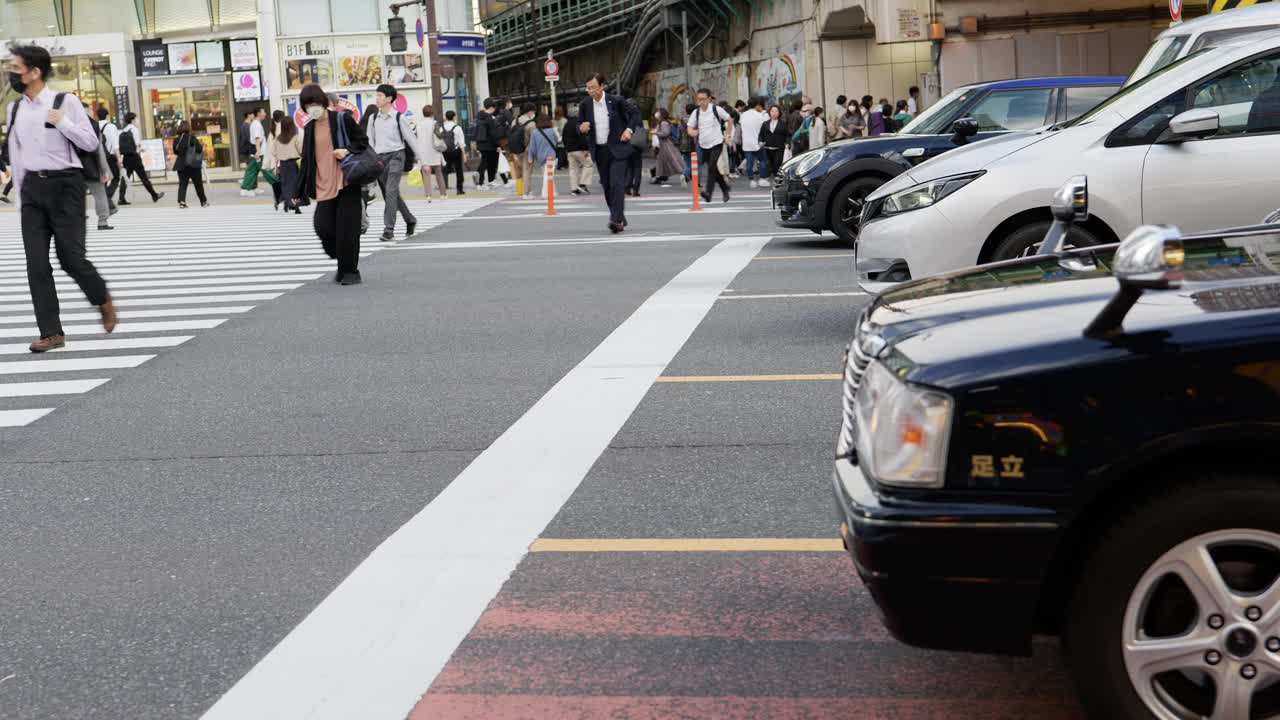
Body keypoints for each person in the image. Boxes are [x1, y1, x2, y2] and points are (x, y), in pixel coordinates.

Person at [7, 44, 116, 353]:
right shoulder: (14, 108)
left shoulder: (64, 101)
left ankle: (101, 298)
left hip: (65, 185)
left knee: (71, 259)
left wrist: (63, 122)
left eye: (16, 68)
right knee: (36, 264)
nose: (11, 74)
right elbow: (16, 152)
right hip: (32, 189)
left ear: (35, 72)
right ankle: (52, 333)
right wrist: (19, 195)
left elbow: (90, 141)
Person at [295, 84, 368, 286]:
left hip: (346, 181)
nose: (313, 108)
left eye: (316, 103)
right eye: (308, 105)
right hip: (323, 184)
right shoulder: (309, 127)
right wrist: (298, 191)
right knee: (323, 227)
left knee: (348, 231)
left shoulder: (341, 119)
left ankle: (350, 272)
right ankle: (341, 260)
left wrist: (346, 150)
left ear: (324, 102)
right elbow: (308, 160)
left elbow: (362, 142)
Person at [578, 72, 639, 234]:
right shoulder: (585, 104)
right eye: (588, 88)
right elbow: (580, 124)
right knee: (606, 186)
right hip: (600, 151)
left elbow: (635, 114)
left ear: (602, 87)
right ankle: (619, 215)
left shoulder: (616, 101)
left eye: (593, 88)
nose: (590, 91)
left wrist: (628, 130)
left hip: (618, 149)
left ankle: (616, 220)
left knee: (617, 183)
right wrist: (581, 128)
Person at [365, 84, 426, 240]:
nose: (377, 98)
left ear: (389, 99)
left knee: (391, 191)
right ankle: (410, 219)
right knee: (392, 195)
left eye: (380, 95)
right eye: (376, 95)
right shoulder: (372, 119)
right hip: (379, 160)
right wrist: (370, 162)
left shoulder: (399, 117)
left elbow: (412, 140)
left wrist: (422, 161)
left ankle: (389, 229)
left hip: (396, 156)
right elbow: (370, 143)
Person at [687, 87, 733, 204]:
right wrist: (693, 132)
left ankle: (708, 193)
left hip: (717, 143)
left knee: (712, 167)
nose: (701, 102)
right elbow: (690, 128)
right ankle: (725, 188)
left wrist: (727, 135)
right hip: (703, 145)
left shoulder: (716, 109)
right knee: (714, 170)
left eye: (703, 99)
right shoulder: (696, 112)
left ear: (709, 99)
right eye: (699, 99)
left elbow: (729, 120)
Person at [118, 112, 163, 204]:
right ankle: (154, 195)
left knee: (125, 178)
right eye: (136, 118)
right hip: (134, 157)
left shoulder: (124, 130)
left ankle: (121, 198)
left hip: (126, 157)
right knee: (143, 177)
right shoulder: (134, 129)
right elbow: (137, 144)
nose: (137, 120)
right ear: (133, 120)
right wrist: (142, 149)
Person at [83, 103, 115, 231]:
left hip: (73, 167)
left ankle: (78, 218)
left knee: (75, 195)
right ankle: (102, 221)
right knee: (99, 194)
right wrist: (104, 170)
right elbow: (99, 150)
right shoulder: (93, 126)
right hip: (91, 165)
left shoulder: (68, 124)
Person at [171, 121, 207, 209]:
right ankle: (203, 201)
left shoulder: (177, 139)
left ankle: (182, 202)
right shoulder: (192, 138)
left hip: (181, 165)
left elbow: (175, 152)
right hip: (193, 165)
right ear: (188, 128)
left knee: (182, 184)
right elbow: (199, 149)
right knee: (198, 184)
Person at [416, 105, 449, 201]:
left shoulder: (419, 125)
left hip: (423, 151)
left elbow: (417, 138)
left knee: (426, 174)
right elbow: (439, 136)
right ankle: (443, 194)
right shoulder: (434, 123)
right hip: (434, 150)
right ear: (432, 113)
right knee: (438, 172)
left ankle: (428, 195)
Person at [272, 115, 303, 214]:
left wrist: (276, 167)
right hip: (294, 164)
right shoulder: (295, 137)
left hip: (283, 165)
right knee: (295, 186)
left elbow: (274, 153)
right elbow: (301, 150)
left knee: (285, 185)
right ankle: (296, 206)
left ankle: (286, 202)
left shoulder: (277, 139)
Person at [525, 112, 559, 199]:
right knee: (548, 175)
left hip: (540, 157)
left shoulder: (535, 132)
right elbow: (556, 142)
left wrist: (530, 158)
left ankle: (552, 192)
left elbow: (532, 146)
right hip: (552, 156)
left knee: (546, 175)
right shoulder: (552, 131)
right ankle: (546, 193)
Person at [562, 105, 593, 195]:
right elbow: (583, 137)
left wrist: (567, 148)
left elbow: (564, 138)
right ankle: (583, 183)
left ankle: (574, 189)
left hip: (570, 150)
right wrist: (587, 148)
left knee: (573, 169)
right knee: (588, 164)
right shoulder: (579, 123)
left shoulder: (566, 124)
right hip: (580, 149)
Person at [738, 97, 767, 188]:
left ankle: (751, 180)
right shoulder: (759, 116)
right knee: (762, 160)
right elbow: (763, 128)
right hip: (757, 142)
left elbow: (741, 126)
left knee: (749, 163)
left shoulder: (743, 115)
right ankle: (762, 179)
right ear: (757, 104)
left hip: (746, 142)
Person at [510, 101, 537, 199]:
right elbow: (533, 140)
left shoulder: (514, 121)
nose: (534, 114)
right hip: (527, 150)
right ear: (530, 112)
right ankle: (526, 193)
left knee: (522, 171)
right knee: (527, 171)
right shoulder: (532, 124)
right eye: (533, 111)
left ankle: (528, 191)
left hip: (516, 150)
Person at [651, 108, 683, 185]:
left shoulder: (664, 123)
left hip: (665, 145)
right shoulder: (662, 122)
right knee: (663, 161)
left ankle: (685, 174)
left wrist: (656, 132)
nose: (656, 114)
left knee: (672, 161)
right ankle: (661, 177)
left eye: (658, 112)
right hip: (663, 144)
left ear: (661, 114)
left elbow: (665, 133)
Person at [239, 107, 267, 196]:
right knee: (253, 170)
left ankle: (251, 187)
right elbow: (254, 139)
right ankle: (247, 187)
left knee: (253, 170)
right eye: (251, 114)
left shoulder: (250, 124)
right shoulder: (247, 126)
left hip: (253, 151)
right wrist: (256, 151)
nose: (253, 115)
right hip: (252, 152)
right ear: (248, 115)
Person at [96, 107, 122, 202]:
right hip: (109, 156)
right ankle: (107, 197)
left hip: (98, 156)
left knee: (102, 178)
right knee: (115, 177)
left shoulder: (94, 126)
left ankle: (103, 198)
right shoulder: (111, 127)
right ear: (107, 116)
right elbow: (115, 145)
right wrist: (119, 159)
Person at [439, 110, 466, 195]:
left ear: (445, 117)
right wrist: (464, 154)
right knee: (459, 170)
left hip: (445, 151)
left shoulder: (441, 128)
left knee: (445, 169)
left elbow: (439, 141)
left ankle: (443, 189)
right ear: (454, 117)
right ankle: (459, 189)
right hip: (455, 151)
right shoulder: (457, 128)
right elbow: (461, 143)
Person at [474, 97, 500, 189]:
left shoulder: (479, 117)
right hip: (489, 144)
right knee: (489, 162)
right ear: (492, 107)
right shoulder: (489, 118)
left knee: (485, 161)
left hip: (480, 143)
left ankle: (482, 181)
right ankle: (484, 181)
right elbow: (493, 133)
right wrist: (498, 144)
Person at [760, 103, 789, 179]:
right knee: (769, 164)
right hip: (768, 147)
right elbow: (761, 134)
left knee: (777, 163)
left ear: (779, 113)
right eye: (772, 111)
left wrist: (787, 143)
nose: (774, 113)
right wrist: (760, 141)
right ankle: (770, 175)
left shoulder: (783, 124)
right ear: (769, 112)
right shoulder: (765, 124)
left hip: (779, 147)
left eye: (776, 111)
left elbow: (788, 135)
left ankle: (777, 177)